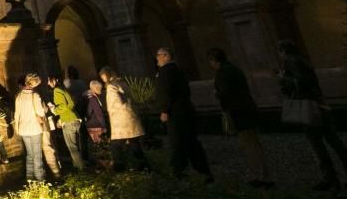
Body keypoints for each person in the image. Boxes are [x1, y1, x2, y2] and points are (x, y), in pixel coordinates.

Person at [278, 39, 347, 191]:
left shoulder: (291, 62)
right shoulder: (304, 61)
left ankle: (330, 178)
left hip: (307, 106)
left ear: (284, 51)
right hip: (319, 103)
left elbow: (300, 83)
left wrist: (283, 79)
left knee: (317, 143)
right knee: (334, 141)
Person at [208, 48, 273, 188]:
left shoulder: (222, 73)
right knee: (252, 142)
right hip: (247, 108)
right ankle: (262, 174)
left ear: (214, 60)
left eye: (211, 61)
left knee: (249, 144)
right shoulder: (234, 69)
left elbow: (225, 92)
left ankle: (260, 177)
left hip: (238, 111)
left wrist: (217, 94)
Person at [155, 47, 212, 183]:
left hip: (175, 112)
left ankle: (179, 173)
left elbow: (165, 92)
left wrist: (164, 110)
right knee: (192, 141)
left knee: (177, 142)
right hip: (186, 110)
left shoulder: (165, 72)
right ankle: (203, 171)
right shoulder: (179, 70)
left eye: (158, 55)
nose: (156, 58)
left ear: (166, 56)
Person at [99, 67, 150, 172]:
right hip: (130, 118)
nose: (103, 80)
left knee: (116, 145)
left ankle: (119, 167)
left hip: (120, 121)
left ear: (106, 75)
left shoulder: (111, 86)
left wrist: (111, 111)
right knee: (133, 142)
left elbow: (116, 103)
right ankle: (144, 166)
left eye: (103, 77)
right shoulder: (123, 83)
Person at [14, 73, 48, 181]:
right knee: (37, 155)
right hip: (34, 128)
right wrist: (45, 109)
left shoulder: (19, 95)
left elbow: (16, 114)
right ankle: (40, 180)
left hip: (23, 130)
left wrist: (17, 129)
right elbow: (40, 112)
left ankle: (29, 179)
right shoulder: (35, 96)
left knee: (29, 155)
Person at [49, 75, 85, 171]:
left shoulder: (57, 90)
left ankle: (81, 170)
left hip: (68, 120)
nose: (48, 84)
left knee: (72, 147)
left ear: (54, 81)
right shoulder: (63, 88)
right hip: (75, 118)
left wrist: (54, 110)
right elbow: (71, 104)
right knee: (78, 146)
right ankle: (79, 167)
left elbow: (62, 106)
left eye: (49, 81)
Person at [84, 80, 108, 144]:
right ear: (95, 88)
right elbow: (98, 113)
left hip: (88, 124)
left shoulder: (85, 96)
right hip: (96, 125)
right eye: (99, 88)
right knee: (100, 146)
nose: (100, 91)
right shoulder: (93, 98)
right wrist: (104, 126)